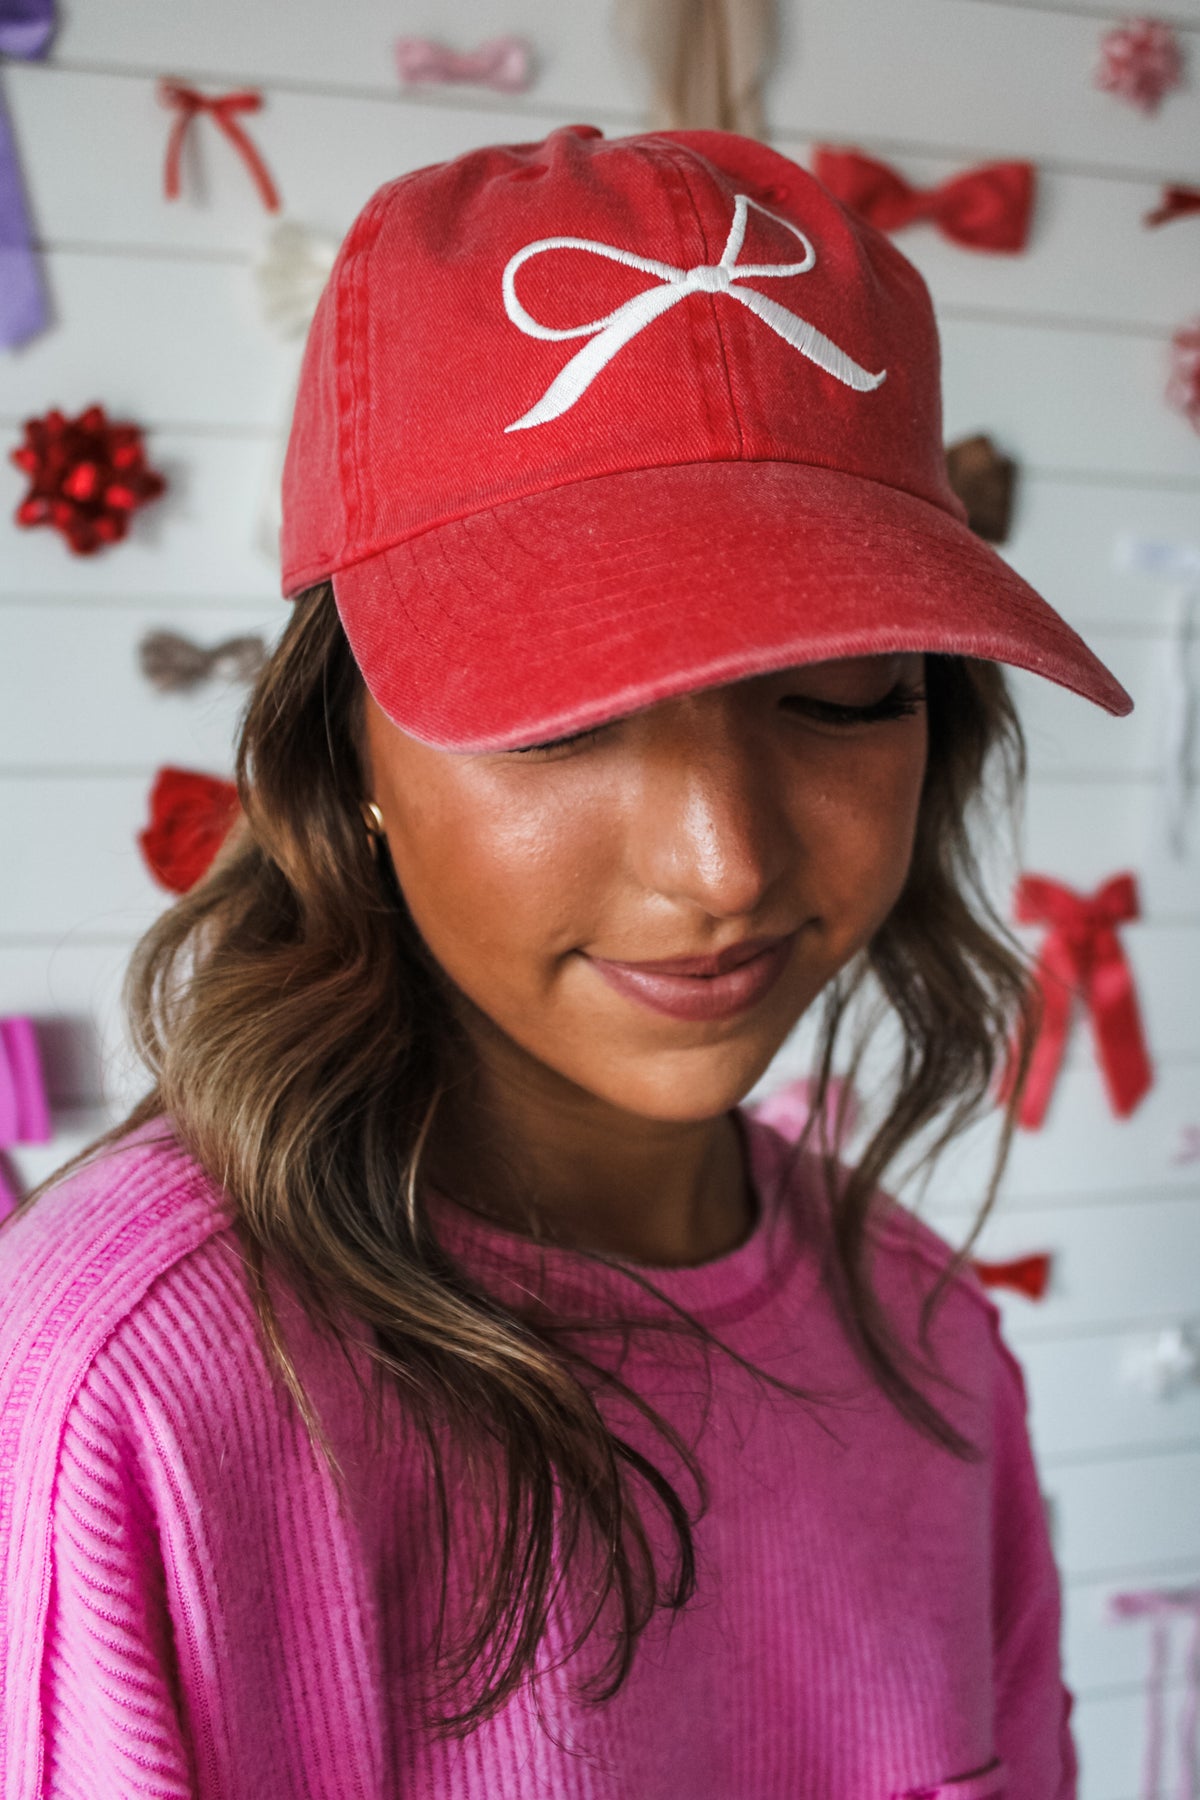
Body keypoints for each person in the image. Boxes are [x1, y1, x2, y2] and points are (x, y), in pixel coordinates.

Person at [0, 126, 1130, 1800]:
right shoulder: (137, 1390)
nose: (724, 861)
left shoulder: (937, 1341)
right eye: (570, 715)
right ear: (349, 754)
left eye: (837, 699)